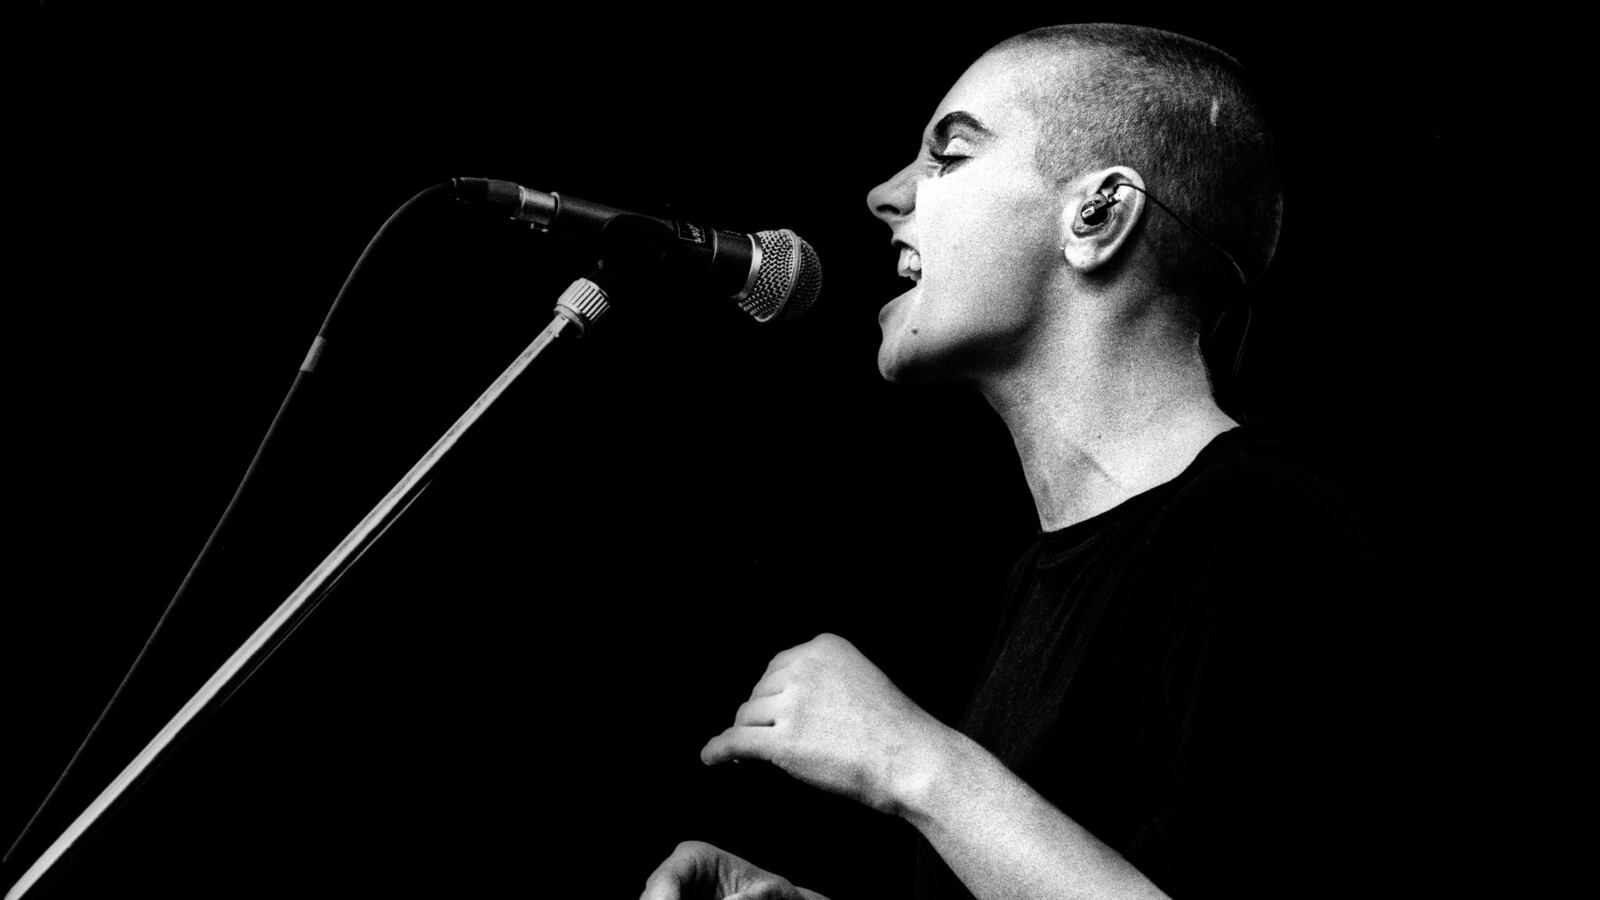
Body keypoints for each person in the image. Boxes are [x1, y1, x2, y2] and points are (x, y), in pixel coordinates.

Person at [642, 23, 1379, 900]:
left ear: (1098, 215)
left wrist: (912, 762)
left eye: (948, 154)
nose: (885, 194)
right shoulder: (1039, 581)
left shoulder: (1260, 531)